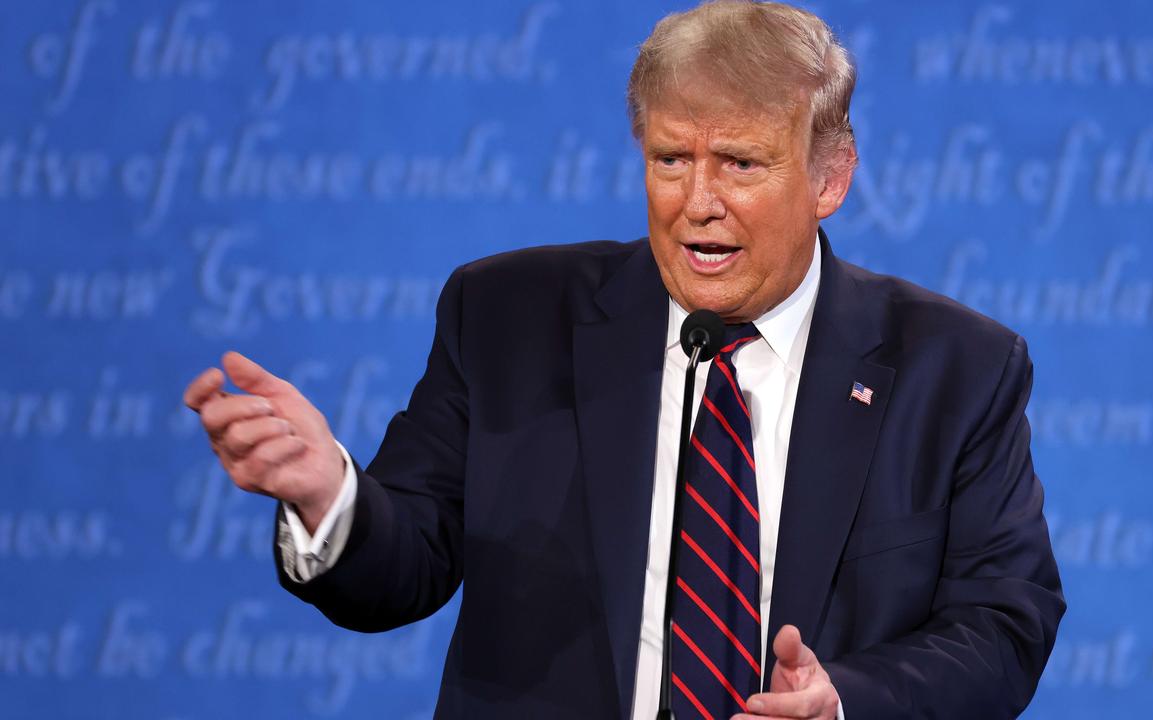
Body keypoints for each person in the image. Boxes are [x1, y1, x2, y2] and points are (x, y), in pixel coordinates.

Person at [183, 2, 1065, 718]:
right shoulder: (507, 318)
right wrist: (327, 495)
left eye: (741, 164)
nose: (698, 203)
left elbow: (1004, 621)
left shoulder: (956, 368)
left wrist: (846, 701)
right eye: (671, 159)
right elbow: (403, 565)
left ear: (829, 179)